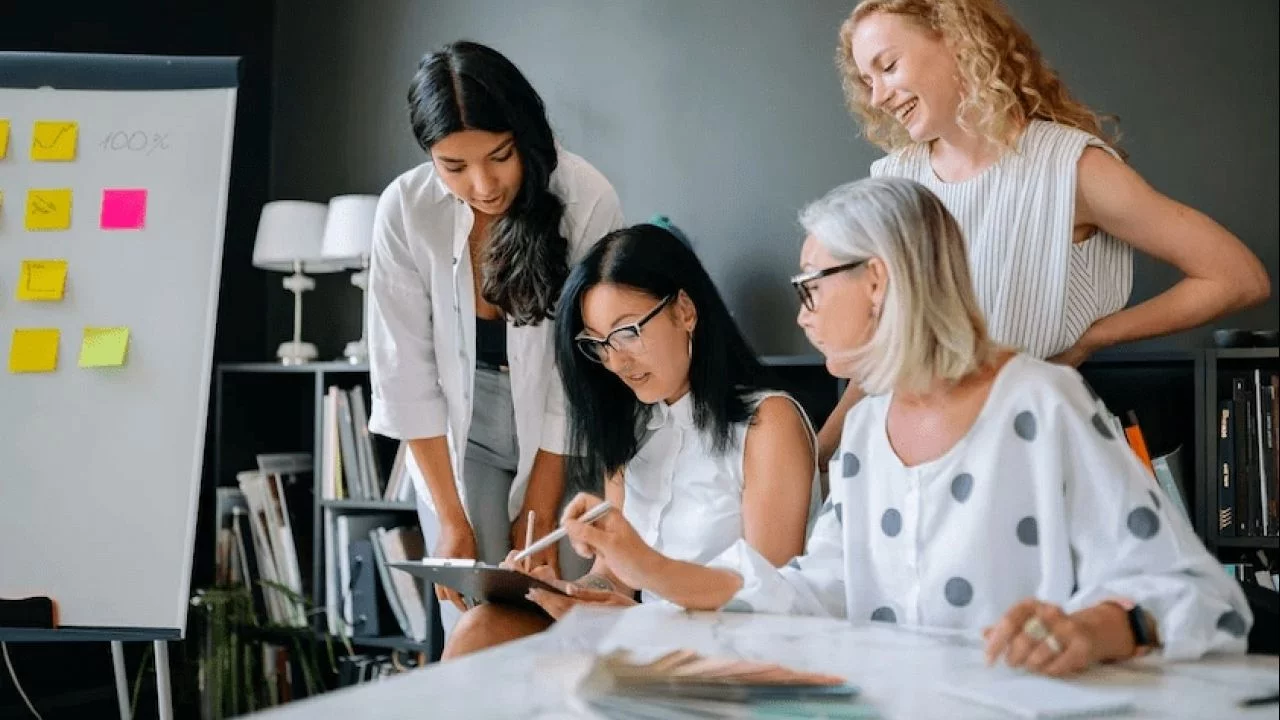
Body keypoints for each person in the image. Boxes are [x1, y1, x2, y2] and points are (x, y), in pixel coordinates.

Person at [558, 178, 1252, 677]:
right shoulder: (865, 434)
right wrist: (644, 567)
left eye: (811, 286)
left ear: (877, 280)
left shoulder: (1042, 403)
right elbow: (811, 588)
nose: (801, 313)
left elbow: (1203, 597)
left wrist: (1095, 629)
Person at [815, 0, 1271, 465]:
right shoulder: (892, 183)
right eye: (867, 81)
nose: (877, 97)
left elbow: (1238, 277)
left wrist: (1093, 338)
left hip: (1023, 454)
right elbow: (882, 356)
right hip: (902, 461)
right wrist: (819, 454)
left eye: (888, 66)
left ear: (956, 39)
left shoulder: (1070, 170)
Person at [439, 223, 822, 658]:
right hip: (645, 634)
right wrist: (562, 592)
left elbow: (767, 594)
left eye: (627, 333)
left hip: (732, 645)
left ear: (685, 311)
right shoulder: (631, 428)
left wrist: (641, 610)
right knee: (482, 625)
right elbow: (612, 577)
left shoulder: (768, 422)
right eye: (599, 343)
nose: (616, 361)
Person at [366, 40, 624, 617]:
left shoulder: (586, 197)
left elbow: (579, 365)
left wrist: (540, 503)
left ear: (524, 135)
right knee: (478, 608)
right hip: (466, 428)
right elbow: (405, 374)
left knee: (564, 606)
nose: (483, 185)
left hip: (570, 425)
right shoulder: (404, 209)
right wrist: (450, 519)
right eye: (454, 167)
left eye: (500, 156)